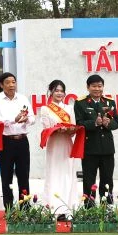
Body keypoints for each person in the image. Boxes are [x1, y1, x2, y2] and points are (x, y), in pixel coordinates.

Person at [74, 74, 118, 206]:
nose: (97, 89)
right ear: (88, 87)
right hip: (90, 148)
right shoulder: (80, 103)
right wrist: (94, 123)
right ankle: (89, 208)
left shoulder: (109, 102)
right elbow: (78, 123)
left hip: (107, 148)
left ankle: (107, 206)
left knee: (107, 179)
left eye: (100, 86)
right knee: (89, 180)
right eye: (94, 86)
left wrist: (107, 124)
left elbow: (116, 123)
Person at [0, 72, 35, 209]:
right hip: (6, 141)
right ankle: (9, 208)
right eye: (8, 82)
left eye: (13, 82)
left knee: (24, 175)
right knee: (6, 176)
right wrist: (14, 120)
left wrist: (26, 119)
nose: (11, 85)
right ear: (1, 85)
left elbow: (33, 118)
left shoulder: (22, 98)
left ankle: (25, 207)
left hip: (22, 141)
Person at [38, 79, 77, 218]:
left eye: (61, 91)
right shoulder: (45, 108)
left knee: (68, 174)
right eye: (56, 90)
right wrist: (56, 130)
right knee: (54, 173)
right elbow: (46, 128)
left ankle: (68, 208)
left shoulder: (70, 108)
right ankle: (54, 207)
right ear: (51, 92)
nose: (59, 93)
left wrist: (69, 130)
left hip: (67, 143)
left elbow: (74, 128)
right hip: (54, 144)